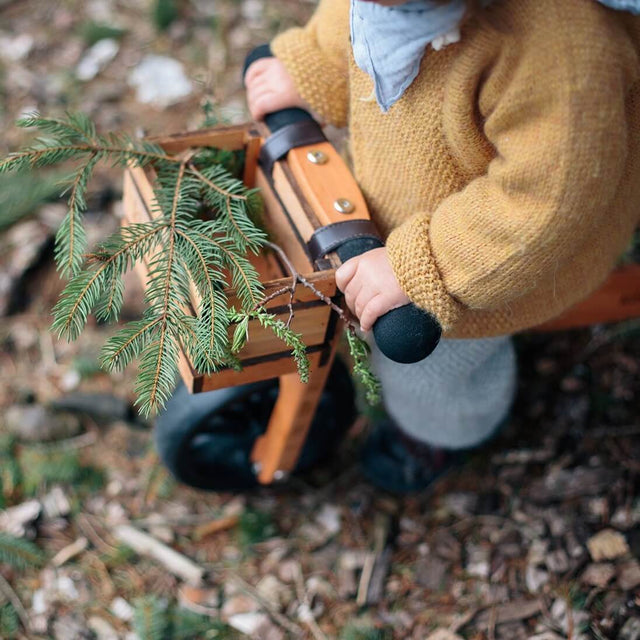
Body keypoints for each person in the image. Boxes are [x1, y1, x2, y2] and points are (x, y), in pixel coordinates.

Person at [244, 0, 640, 492]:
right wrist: (316, 65)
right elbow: (352, 16)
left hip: (495, 256)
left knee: (434, 366)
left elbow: (548, 202)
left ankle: (442, 433)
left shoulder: (558, 53)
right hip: (398, 200)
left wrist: (423, 267)